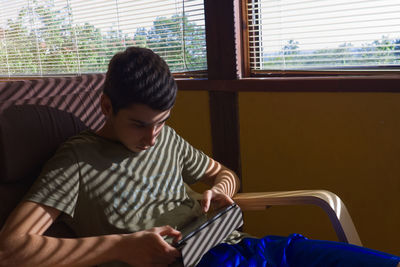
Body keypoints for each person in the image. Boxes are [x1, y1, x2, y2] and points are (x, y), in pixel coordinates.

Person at [0, 47, 398, 267]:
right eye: (139, 124)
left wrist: (221, 190)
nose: (152, 137)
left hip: (256, 247)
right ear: (106, 106)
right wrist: (121, 247)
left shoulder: (166, 138)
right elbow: (12, 248)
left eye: (161, 122)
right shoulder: (77, 161)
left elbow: (224, 173)